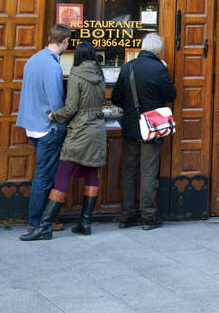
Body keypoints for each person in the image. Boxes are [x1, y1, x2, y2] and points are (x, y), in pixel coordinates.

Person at [20, 42, 107, 241]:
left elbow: (71, 108)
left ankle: (43, 226)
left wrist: (54, 116)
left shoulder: (76, 73)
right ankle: (85, 222)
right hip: (97, 130)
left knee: (61, 176)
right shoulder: (99, 74)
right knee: (92, 174)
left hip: (79, 131)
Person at [111, 33, 177, 230]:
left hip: (131, 126)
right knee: (148, 172)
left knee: (129, 171)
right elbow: (171, 95)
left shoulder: (127, 67)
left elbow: (116, 98)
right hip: (152, 127)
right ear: (157, 50)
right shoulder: (159, 69)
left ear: (142, 47)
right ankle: (148, 217)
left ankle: (126, 215)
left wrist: (132, 109)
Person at [16, 24, 71, 240]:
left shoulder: (34, 59)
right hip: (47, 128)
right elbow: (57, 101)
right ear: (65, 40)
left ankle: (41, 220)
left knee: (43, 174)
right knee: (45, 176)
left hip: (32, 125)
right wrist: (61, 119)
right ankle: (36, 222)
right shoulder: (52, 66)